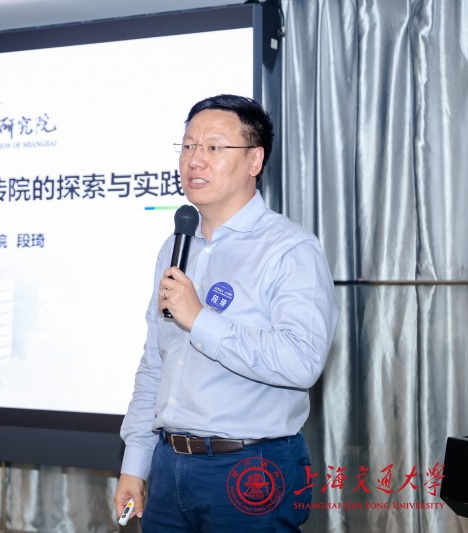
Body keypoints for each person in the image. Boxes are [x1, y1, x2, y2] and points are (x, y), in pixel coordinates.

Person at [114, 94, 338, 532]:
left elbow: (302, 361)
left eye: (214, 147)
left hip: (251, 467)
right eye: (188, 146)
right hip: (168, 465)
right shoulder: (175, 246)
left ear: (255, 160)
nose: (194, 160)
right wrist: (135, 463)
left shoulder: (290, 249)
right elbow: (155, 362)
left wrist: (200, 319)